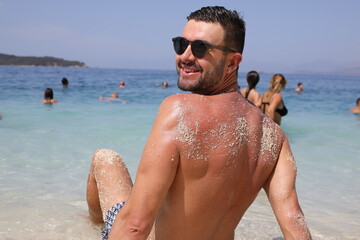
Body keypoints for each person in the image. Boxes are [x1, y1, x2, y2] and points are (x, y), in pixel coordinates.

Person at [86, 6, 312, 240]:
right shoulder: (275, 137)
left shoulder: (179, 110)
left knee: (104, 159)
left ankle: (94, 227)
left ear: (233, 63)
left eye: (200, 48)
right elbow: (294, 222)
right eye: (181, 44)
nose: (185, 56)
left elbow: (135, 226)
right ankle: (92, 227)